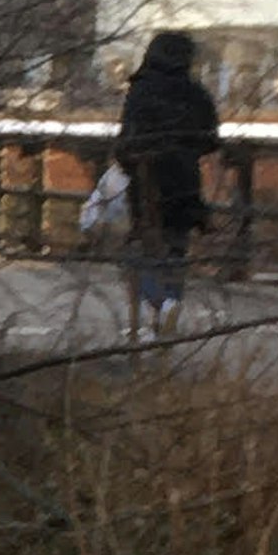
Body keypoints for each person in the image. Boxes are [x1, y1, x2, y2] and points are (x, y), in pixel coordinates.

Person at [116, 27, 219, 343]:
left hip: (147, 183)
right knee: (176, 245)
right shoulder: (195, 93)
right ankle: (172, 300)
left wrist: (131, 161)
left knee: (145, 244)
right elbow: (210, 140)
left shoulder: (140, 91)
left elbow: (126, 143)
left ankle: (148, 308)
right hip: (184, 181)